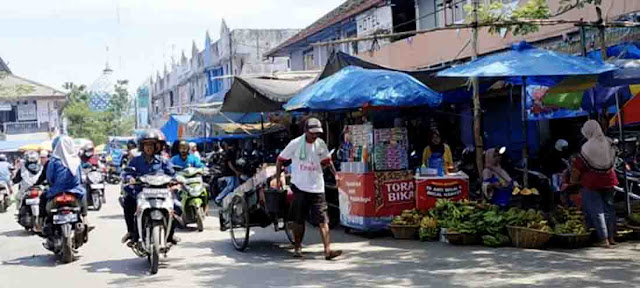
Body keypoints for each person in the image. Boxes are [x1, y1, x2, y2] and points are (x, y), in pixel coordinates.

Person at [275, 117, 342, 260]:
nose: (315, 135)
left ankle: (328, 251)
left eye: (317, 133)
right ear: (306, 131)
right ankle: (298, 247)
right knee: (299, 220)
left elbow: (327, 161)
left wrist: (336, 175)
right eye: (312, 133)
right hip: (299, 187)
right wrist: (277, 178)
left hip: (317, 187)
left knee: (323, 220)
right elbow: (280, 160)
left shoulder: (320, 144)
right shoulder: (295, 144)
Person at [121, 130, 180, 245]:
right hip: (141, 191)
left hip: (161, 192)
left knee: (176, 206)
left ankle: (171, 234)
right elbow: (127, 173)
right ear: (142, 147)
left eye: (151, 145)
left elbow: (173, 173)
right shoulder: (135, 160)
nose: (149, 148)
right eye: (146, 145)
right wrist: (130, 178)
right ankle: (132, 232)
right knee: (128, 202)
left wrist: (176, 181)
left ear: (156, 147)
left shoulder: (163, 160)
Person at [570, 120, 618, 248]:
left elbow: (578, 167)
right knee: (609, 209)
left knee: (597, 211)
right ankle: (612, 237)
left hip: (592, 183)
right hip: (609, 179)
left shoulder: (587, 147)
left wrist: (573, 181)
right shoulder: (609, 142)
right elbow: (614, 158)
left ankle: (604, 239)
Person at [40, 136, 87, 236]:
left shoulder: (53, 161)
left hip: (57, 191)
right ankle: (85, 218)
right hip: (75, 190)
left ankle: (41, 222)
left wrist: (54, 185)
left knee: (43, 197)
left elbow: (49, 178)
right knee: (84, 193)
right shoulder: (76, 160)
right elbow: (79, 177)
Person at [13, 151, 43, 216]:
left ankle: (17, 210)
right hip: (39, 188)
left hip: (25, 189)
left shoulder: (23, 168)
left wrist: (14, 181)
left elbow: (16, 179)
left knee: (17, 197)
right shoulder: (42, 167)